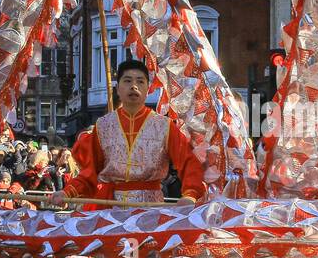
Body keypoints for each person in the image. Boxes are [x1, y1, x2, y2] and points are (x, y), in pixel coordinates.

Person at [51, 59, 205, 207]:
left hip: (151, 209)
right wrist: (66, 192)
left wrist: (190, 194)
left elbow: (188, 162)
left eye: (140, 81)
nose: (134, 86)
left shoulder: (164, 125)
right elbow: (89, 173)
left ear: (148, 89)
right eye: (127, 81)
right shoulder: (103, 125)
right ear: (118, 89)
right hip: (112, 209)